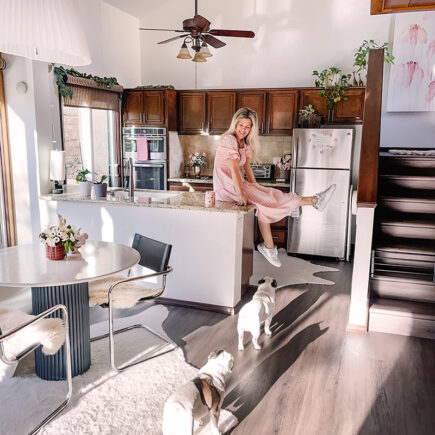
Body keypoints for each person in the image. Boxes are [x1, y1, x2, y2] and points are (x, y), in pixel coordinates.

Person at [213, 107, 336, 268]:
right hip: (227, 188)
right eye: (240, 125)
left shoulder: (244, 143)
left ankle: (269, 247)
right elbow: (235, 170)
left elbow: (247, 168)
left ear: (252, 128)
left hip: (236, 184)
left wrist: (256, 186)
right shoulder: (229, 140)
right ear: (235, 123)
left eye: (247, 126)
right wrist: (241, 194)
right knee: (267, 198)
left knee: (268, 197)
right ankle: (313, 200)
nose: (243, 129)